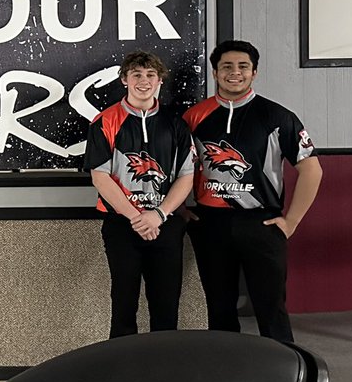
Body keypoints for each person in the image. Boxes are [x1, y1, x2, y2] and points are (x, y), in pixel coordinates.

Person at [183, 39, 323, 343]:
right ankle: (226, 372)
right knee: (219, 308)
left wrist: (292, 222)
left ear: (254, 72)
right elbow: (175, 168)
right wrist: (180, 208)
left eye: (243, 66)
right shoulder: (194, 117)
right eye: (227, 67)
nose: (235, 73)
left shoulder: (277, 116)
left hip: (263, 223)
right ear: (215, 73)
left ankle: (282, 374)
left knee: (270, 307)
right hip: (211, 224)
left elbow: (312, 169)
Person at [83, 51, 195, 339]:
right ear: (124, 80)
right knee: (123, 302)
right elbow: (100, 176)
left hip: (165, 223)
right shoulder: (105, 121)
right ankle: (122, 372)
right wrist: (136, 217)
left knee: (166, 304)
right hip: (122, 225)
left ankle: (164, 371)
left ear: (159, 81)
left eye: (150, 75)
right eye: (136, 75)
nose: (143, 81)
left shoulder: (176, 124)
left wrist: (158, 215)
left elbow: (186, 176)